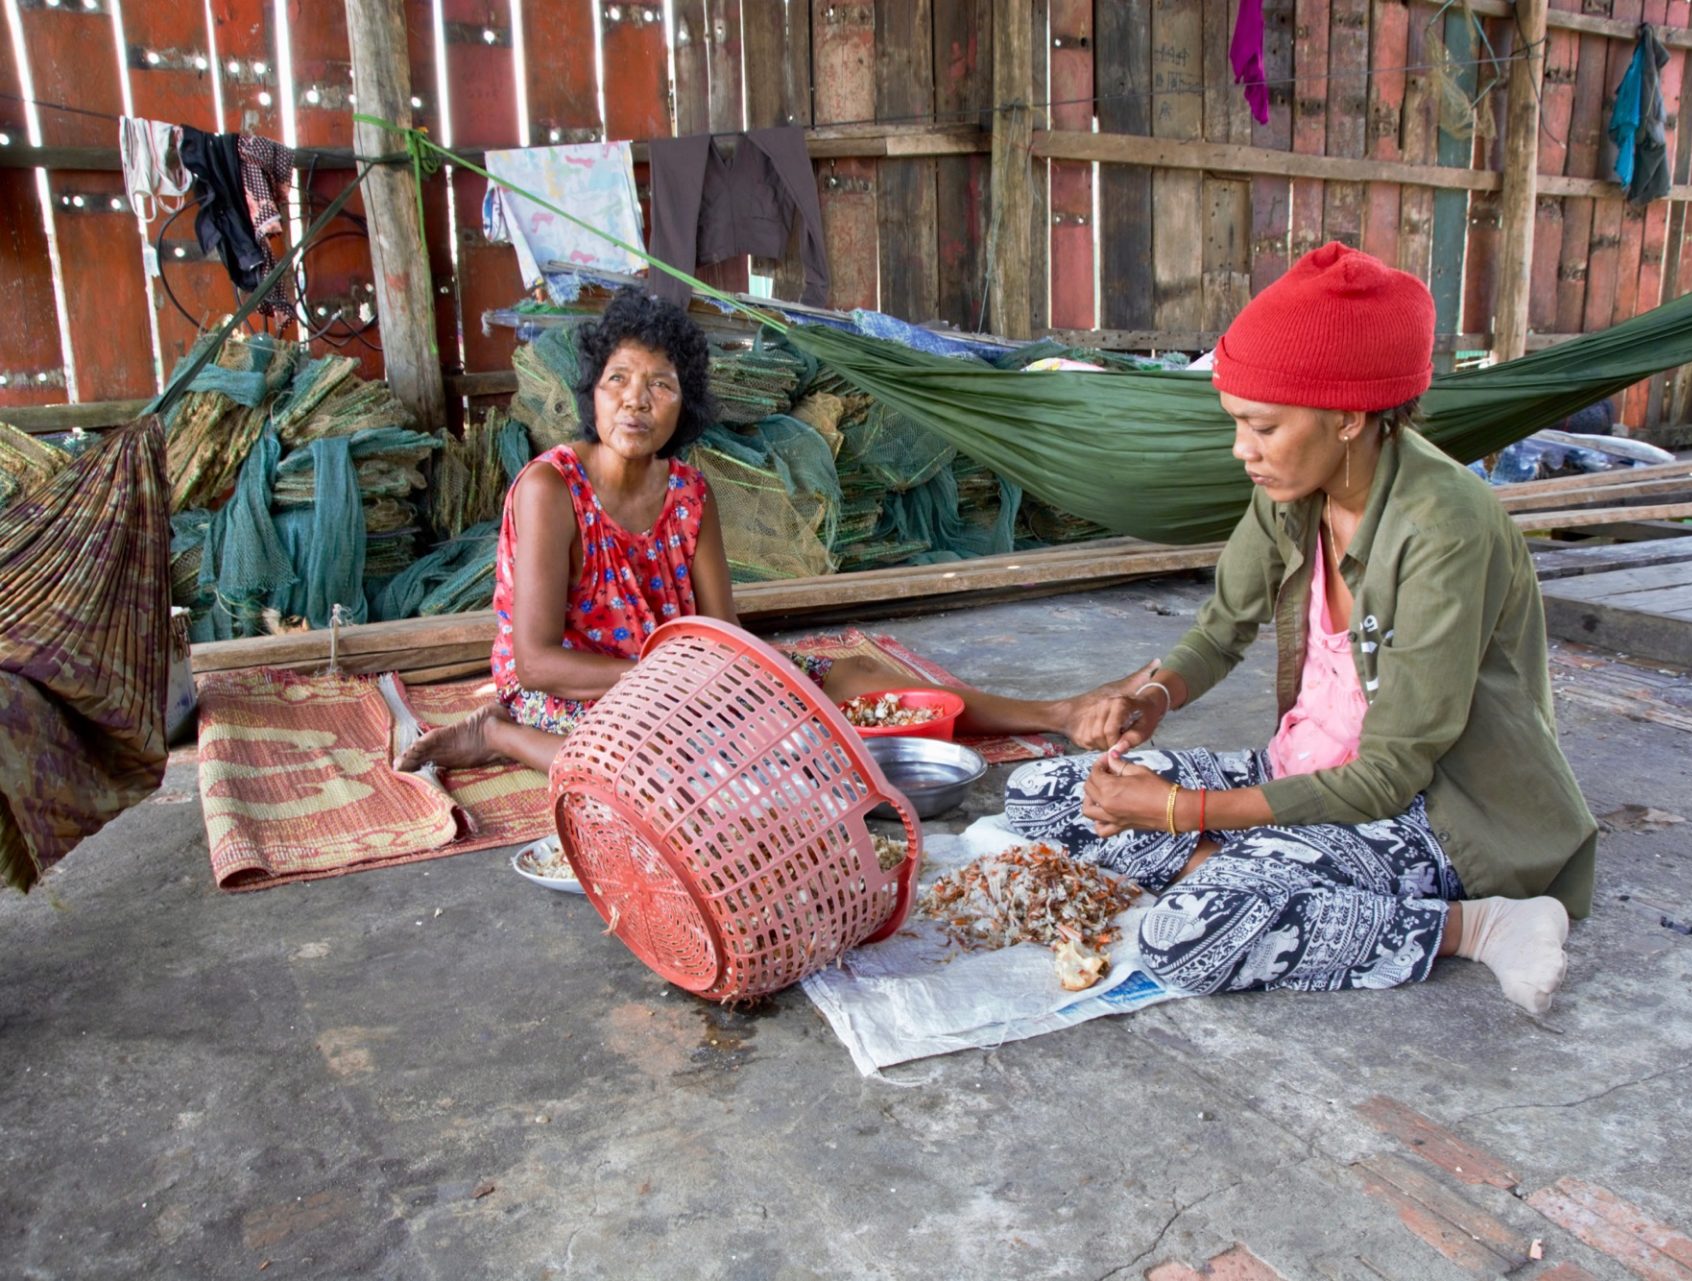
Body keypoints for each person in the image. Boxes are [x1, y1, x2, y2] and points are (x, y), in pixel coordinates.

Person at [1006, 242, 1597, 1016]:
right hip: (1304, 768)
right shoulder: (1294, 487)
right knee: (1043, 794)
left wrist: (1179, 812)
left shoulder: (1444, 529)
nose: (1241, 449)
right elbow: (1221, 631)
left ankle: (1478, 925)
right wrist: (1155, 696)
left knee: (1185, 936)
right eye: (1237, 423)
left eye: (1262, 426)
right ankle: (1256, 876)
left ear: (1348, 416)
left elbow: (1386, 777)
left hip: (1440, 814)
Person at [397, 287, 1079, 777]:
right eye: (617, 380)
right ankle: (501, 737)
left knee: (855, 678)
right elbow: (538, 662)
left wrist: (746, 688)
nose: (635, 400)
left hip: (682, 679)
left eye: (660, 385)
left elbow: (725, 632)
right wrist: (672, 687)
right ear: (592, 394)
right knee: (656, 766)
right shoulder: (552, 490)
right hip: (570, 688)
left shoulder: (690, 495)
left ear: (685, 405)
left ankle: (1056, 712)